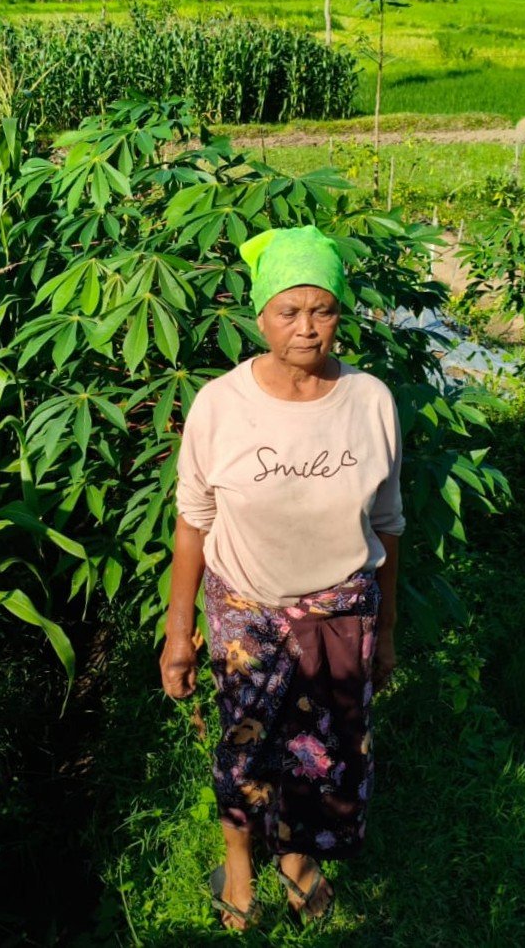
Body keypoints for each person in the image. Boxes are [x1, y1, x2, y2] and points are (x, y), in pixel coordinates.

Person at [157, 226, 404, 930]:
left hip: (341, 608)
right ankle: (240, 872)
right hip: (247, 609)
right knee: (245, 748)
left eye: (322, 309)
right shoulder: (220, 405)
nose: (306, 328)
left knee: (326, 755)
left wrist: (386, 631)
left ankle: (297, 862)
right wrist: (181, 634)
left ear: (340, 313)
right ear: (259, 316)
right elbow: (193, 521)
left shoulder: (369, 400)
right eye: (288, 311)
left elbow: (389, 522)